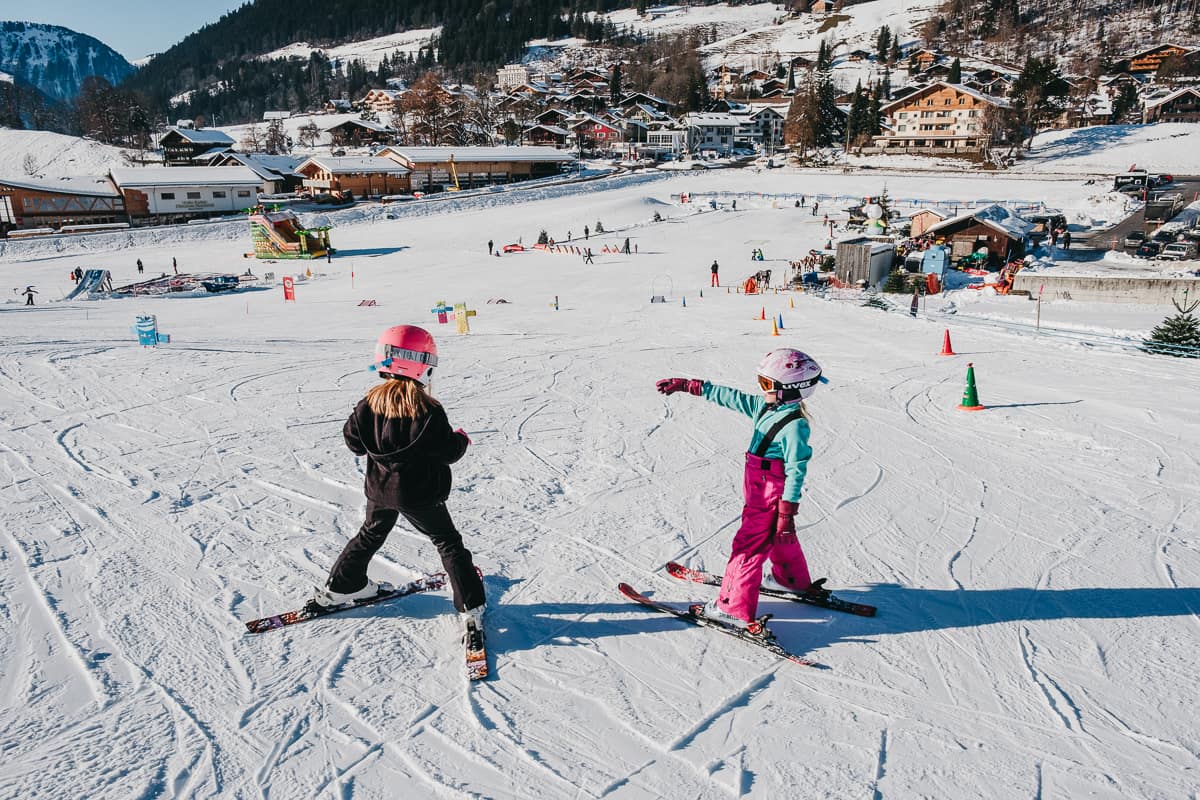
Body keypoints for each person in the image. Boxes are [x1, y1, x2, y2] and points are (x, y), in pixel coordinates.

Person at [316, 325, 487, 640]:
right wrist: (460, 440)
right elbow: (447, 452)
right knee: (448, 543)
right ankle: (471, 606)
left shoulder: (369, 403)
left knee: (371, 533)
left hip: (380, 489)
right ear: (423, 363)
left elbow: (354, 443)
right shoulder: (427, 408)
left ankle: (343, 585)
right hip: (419, 494)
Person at [655, 349, 825, 634]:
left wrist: (786, 510)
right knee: (778, 536)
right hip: (760, 486)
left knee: (749, 544)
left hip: (771, 491)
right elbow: (732, 397)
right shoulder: (767, 407)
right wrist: (690, 385)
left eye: (766, 384)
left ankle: (732, 608)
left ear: (790, 389)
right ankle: (790, 580)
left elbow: (797, 468)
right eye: (761, 381)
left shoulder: (794, 426)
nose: (761, 389)